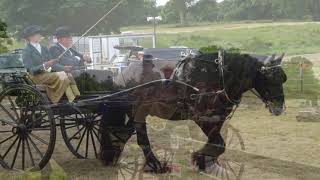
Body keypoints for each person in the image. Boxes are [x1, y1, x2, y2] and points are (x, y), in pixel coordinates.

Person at [22, 25, 78, 103]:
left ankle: (76, 96)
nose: (39, 35)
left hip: (47, 74)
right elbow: (30, 70)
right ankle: (56, 99)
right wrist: (45, 65)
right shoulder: (26, 51)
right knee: (62, 75)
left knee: (68, 74)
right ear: (30, 37)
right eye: (37, 34)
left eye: (39, 33)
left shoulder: (44, 48)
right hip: (35, 77)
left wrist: (63, 68)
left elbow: (52, 64)